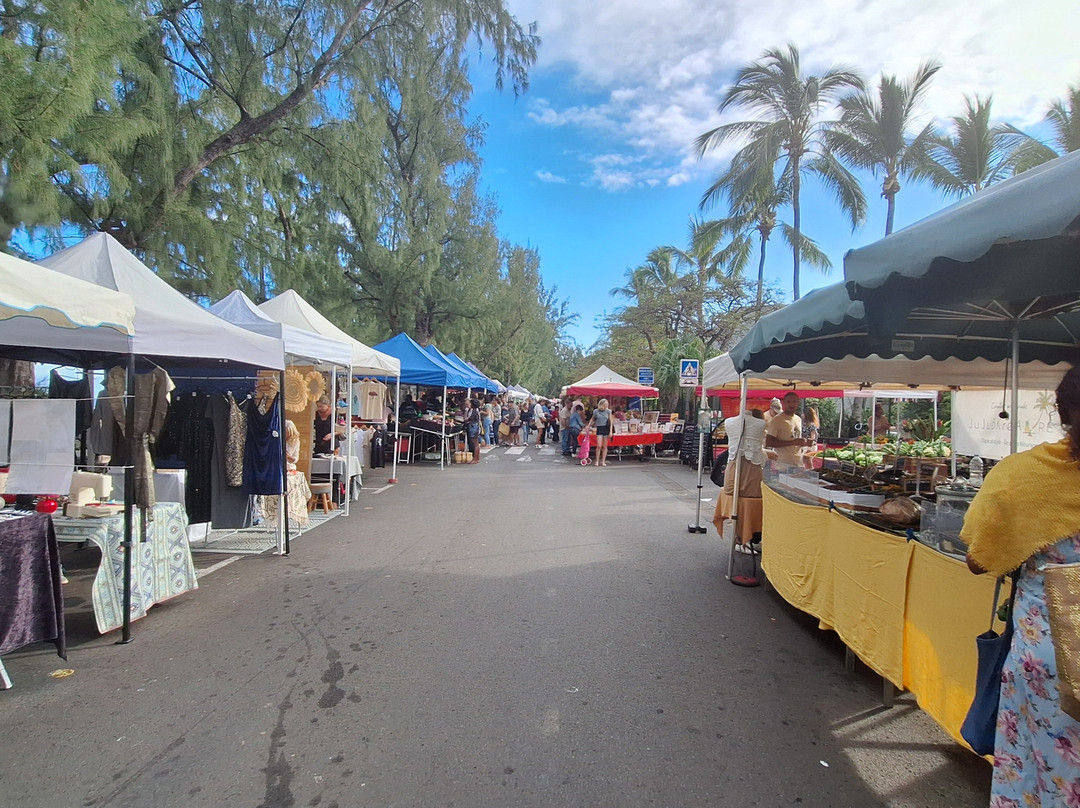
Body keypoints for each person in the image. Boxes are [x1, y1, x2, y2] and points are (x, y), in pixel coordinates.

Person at [963, 364, 1080, 807]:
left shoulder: (1024, 476)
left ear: (1062, 410)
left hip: (1055, 651)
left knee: (1041, 770)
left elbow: (979, 559)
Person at [765, 391, 811, 469]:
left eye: (794, 402)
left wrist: (805, 443)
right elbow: (769, 442)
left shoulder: (798, 419)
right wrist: (792, 442)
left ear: (798, 403)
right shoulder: (777, 420)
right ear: (783, 403)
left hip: (798, 462)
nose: (791, 404)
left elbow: (794, 438)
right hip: (783, 464)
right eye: (788, 402)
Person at [587, 397, 613, 466]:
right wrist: (588, 426)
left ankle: (603, 461)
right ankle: (597, 461)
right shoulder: (596, 411)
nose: (607, 406)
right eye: (606, 404)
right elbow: (592, 419)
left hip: (606, 428)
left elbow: (610, 422)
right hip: (599, 428)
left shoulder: (608, 411)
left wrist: (610, 431)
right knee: (598, 445)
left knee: (604, 446)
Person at [465, 398, 482, 463]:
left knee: (475, 444)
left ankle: (475, 458)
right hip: (475, 426)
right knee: (476, 444)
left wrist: (466, 419)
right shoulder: (476, 411)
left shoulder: (474, 411)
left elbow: (468, 419)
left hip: (474, 427)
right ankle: (477, 458)